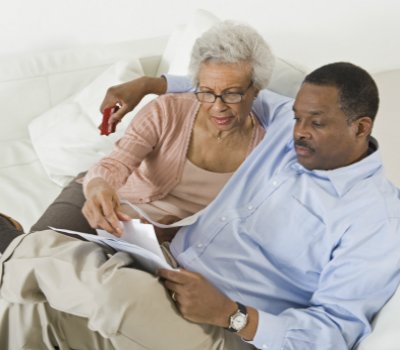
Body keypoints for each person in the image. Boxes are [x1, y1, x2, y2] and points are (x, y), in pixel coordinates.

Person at [1, 62, 400, 350]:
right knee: (38, 314)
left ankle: (11, 248)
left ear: (361, 127)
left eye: (315, 122)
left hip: (230, 331)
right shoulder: (284, 123)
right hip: (168, 278)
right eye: (297, 117)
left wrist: (233, 314)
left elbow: (335, 334)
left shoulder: (377, 221)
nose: (298, 132)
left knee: (114, 293)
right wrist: (151, 83)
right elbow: (226, 86)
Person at [30, 21, 270, 240]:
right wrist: (98, 188)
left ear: (257, 89)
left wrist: (173, 229)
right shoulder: (168, 111)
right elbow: (115, 165)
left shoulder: (269, 146)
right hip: (103, 197)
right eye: (206, 92)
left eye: (232, 93)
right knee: (29, 255)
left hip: (162, 239)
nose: (218, 107)